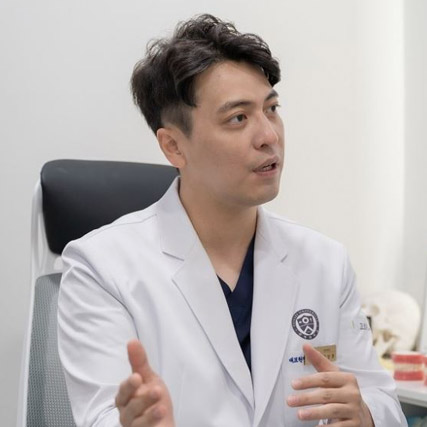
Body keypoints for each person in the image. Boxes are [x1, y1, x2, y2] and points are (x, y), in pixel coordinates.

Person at [58, 14, 407, 427]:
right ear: (174, 146)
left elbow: (382, 400)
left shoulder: (325, 262)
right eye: (238, 118)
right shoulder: (101, 269)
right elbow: (102, 416)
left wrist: (364, 414)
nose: (269, 136)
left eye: (271, 109)